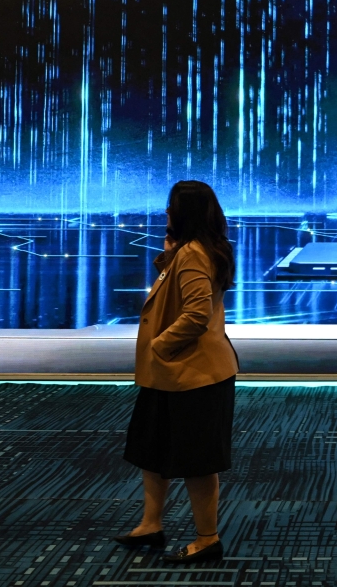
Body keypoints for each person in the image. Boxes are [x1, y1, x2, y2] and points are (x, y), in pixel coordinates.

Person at [114, 180, 238, 564]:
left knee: (196, 461)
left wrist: (160, 346)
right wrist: (168, 258)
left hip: (193, 374)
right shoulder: (190, 251)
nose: (165, 212)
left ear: (185, 213)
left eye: (171, 206)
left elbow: (196, 315)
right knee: (155, 451)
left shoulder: (194, 254)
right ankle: (151, 523)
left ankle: (207, 538)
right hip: (172, 375)